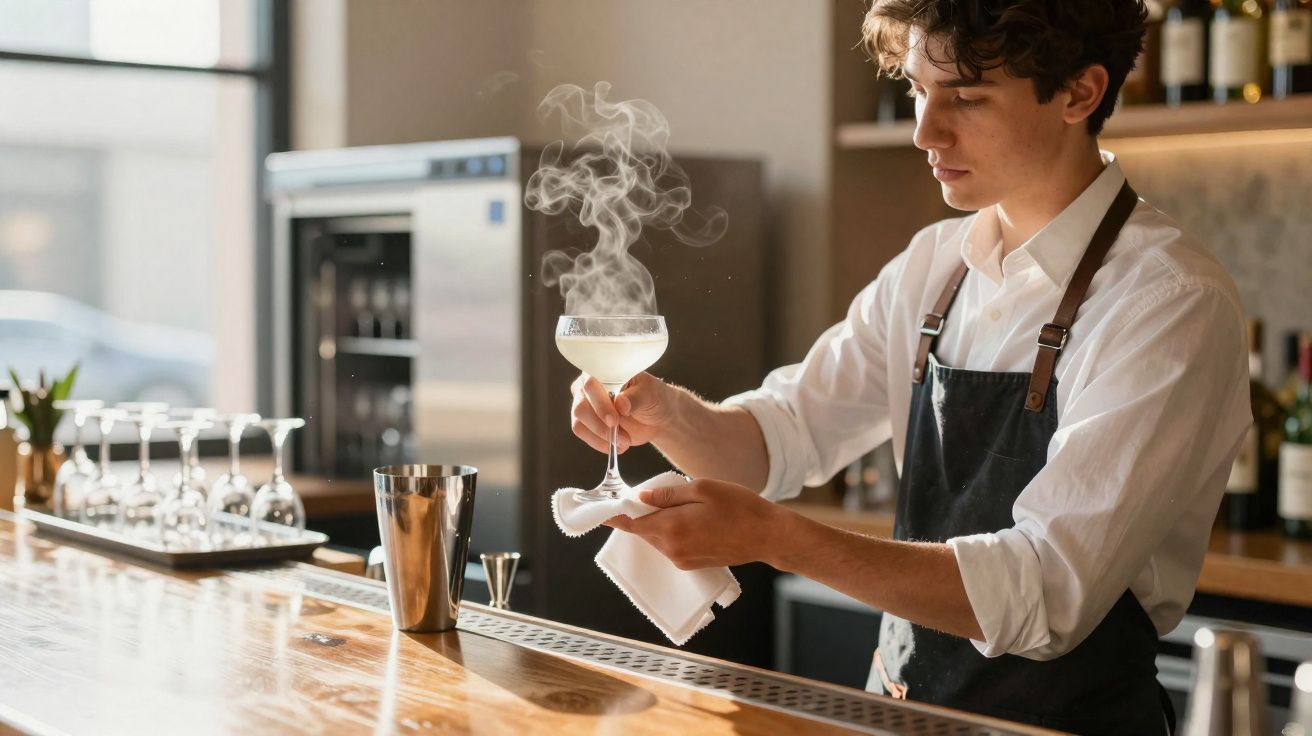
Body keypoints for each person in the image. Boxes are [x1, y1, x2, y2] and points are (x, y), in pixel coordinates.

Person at [568, 0, 1251, 731]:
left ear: (1080, 94)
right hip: (898, 715)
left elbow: (1047, 589)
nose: (925, 130)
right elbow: (782, 436)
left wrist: (778, 537)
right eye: (920, 90)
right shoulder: (933, 265)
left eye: (967, 97)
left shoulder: (1167, 301)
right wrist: (672, 414)